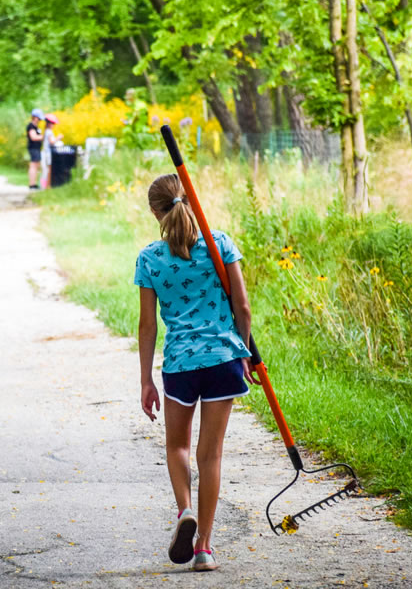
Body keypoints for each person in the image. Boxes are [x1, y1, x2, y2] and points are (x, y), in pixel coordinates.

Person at [133, 174, 254, 573]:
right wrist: (247, 353)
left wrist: (146, 379)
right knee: (211, 454)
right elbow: (243, 306)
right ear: (191, 199)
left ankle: (186, 510)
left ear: (155, 212)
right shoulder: (219, 245)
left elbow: (147, 325)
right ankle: (204, 547)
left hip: (181, 365)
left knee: (178, 448)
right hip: (223, 359)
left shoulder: (150, 259)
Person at [40, 113, 60, 189]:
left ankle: (43, 185)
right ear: (50, 124)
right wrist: (58, 138)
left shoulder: (45, 131)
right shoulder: (49, 132)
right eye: (53, 124)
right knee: (48, 170)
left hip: (44, 152)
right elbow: (52, 142)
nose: (54, 125)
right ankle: (46, 185)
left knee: (45, 170)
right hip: (48, 153)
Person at [26, 109, 45, 189]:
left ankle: (34, 183)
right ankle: (32, 184)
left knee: (36, 165)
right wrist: (44, 137)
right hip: (33, 148)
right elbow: (33, 137)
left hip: (37, 148)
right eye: (39, 118)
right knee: (33, 166)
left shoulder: (36, 127)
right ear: (35, 117)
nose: (40, 120)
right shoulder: (31, 126)